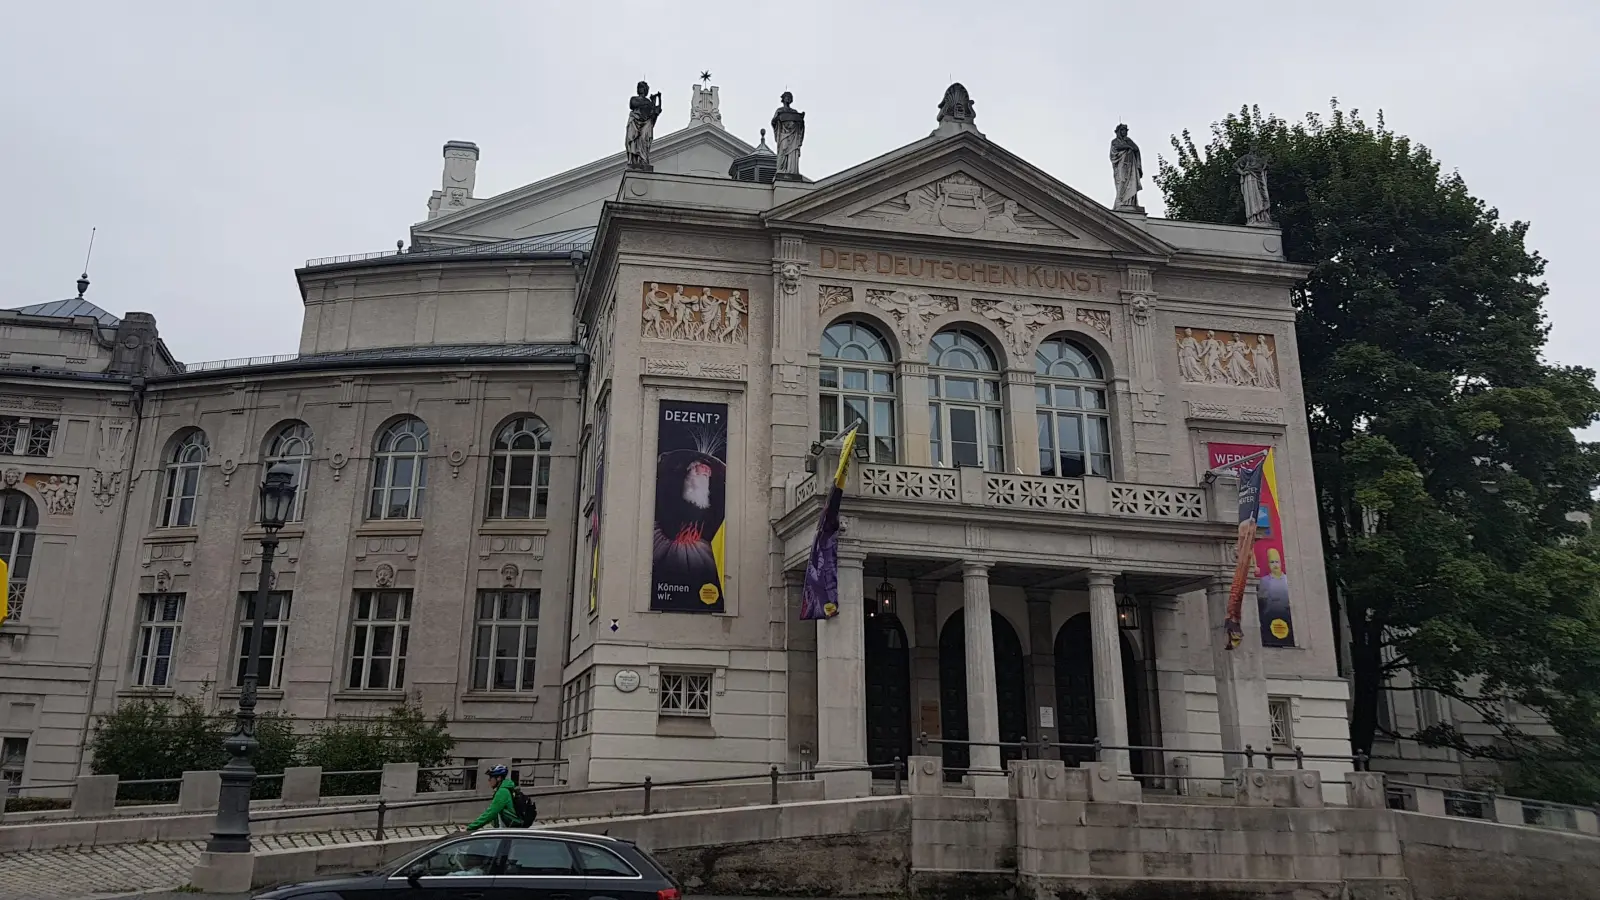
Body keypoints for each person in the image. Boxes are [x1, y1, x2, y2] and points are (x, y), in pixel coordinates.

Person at [462, 765, 524, 832]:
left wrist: (470, 828)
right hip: (507, 829)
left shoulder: (502, 792)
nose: (489, 780)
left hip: (509, 830)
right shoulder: (504, 790)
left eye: (491, 777)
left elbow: (490, 813)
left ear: (499, 778)